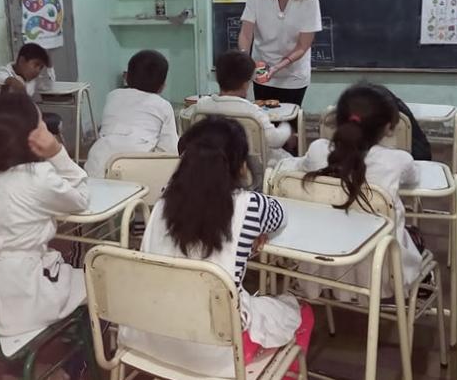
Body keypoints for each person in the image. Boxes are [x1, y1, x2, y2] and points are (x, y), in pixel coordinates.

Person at [119, 117, 312, 377]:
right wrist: (255, 233)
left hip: (148, 337)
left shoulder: (162, 202)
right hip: (217, 353)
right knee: (301, 313)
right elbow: (281, 218)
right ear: (240, 165)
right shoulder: (251, 206)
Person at [0, 91, 87, 337]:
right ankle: (74, 363)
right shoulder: (38, 176)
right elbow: (80, 200)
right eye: (41, 123)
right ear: (31, 138)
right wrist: (57, 152)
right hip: (24, 296)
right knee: (96, 284)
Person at [278, 82, 423, 300]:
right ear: (388, 127)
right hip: (381, 273)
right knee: (414, 236)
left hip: (321, 267)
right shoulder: (397, 161)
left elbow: (297, 167)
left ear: (337, 121)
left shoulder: (318, 150)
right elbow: (415, 178)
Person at [238, 0, 322, 106]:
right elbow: (246, 33)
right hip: (261, 69)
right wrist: (244, 61)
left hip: (293, 75)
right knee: (263, 122)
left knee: (288, 124)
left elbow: (303, 46)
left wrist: (277, 68)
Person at [84, 50, 178, 178]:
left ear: (126, 77)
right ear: (162, 86)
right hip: (136, 167)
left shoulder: (112, 96)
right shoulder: (164, 106)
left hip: (97, 162)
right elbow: (170, 152)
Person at [194, 51, 292, 167]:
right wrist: (287, 128)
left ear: (217, 77)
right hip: (252, 171)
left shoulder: (201, 106)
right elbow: (275, 140)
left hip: (213, 166)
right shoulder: (252, 112)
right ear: (246, 83)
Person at [0, 42, 63, 137]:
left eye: (41, 67)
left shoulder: (33, 80)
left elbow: (48, 86)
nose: (37, 71)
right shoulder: (6, 72)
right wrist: (10, 80)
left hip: (26, 117)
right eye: (36, 65)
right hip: (9, 120)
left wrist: (49, 67)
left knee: (54, 121)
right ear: (22, 61)